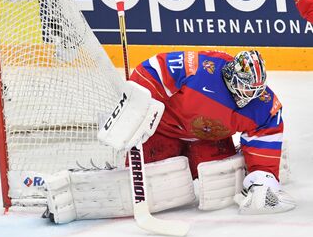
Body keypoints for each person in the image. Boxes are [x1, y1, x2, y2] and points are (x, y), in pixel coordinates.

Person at [44, 50, 295, 224]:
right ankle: (82, 195)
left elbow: (268, 127)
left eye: (254, 91)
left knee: (216, 180)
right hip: (162, 130)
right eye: (244, 87)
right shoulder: (198, 68)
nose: (247, 96)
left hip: (208, 140)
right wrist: (137, 109)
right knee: (148, 178)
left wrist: (263, 173)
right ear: (230, 75)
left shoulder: (262, 103)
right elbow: (150, 71)